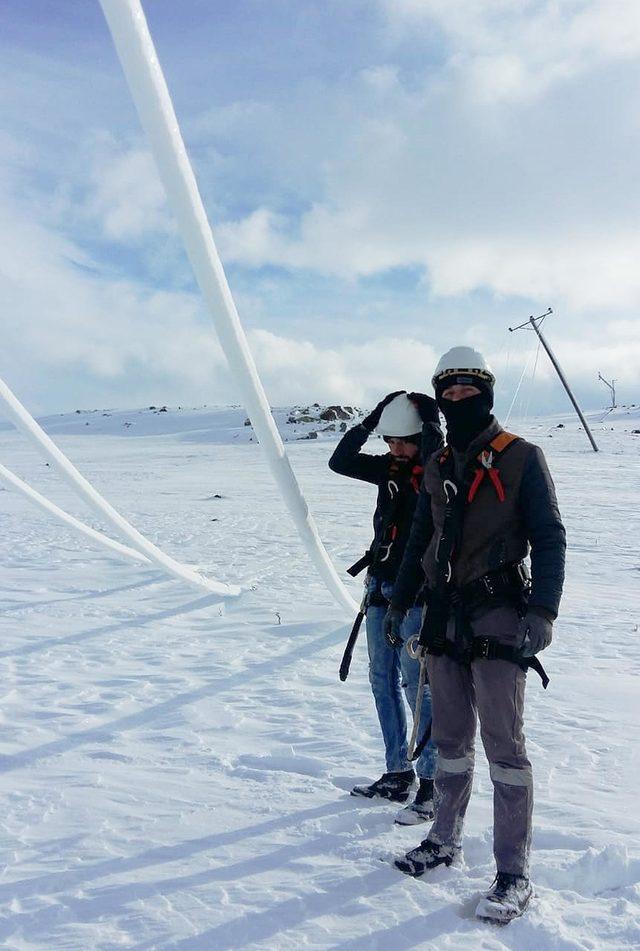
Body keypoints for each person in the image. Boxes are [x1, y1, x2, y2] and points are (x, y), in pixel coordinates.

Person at [384, 347, 566, 922]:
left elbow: (550, 537)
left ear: (485, 392)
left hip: (498, 615)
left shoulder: (522, 458)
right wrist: (403, 599)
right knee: (450, 742)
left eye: (468, 390)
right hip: (442, 616)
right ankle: (444, 839)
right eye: (449, 392)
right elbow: (420, 538)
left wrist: (543, 612)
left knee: (505, 749)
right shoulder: (437, 462)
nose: (459, 399)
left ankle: (513, 871)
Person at [329, 391, 443, 824]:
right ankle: (398, 772)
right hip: (380, 583)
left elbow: (434, 452)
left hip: (417, 592)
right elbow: (339, 461)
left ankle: (432, 782)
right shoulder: (387, 469)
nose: (395, 449)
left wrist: (430, 424)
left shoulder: (437, 468)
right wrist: (370, 419)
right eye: (389, 440)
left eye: (403, 441)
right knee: (382, 677)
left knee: (417, 684)